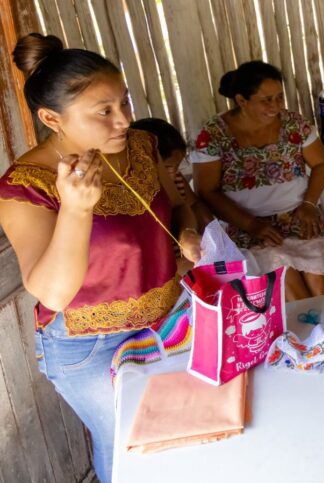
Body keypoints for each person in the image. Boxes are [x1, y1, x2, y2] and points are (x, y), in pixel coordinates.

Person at [0, 33, 201, 482]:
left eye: (125, 103)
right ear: (53, 118)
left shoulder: (144, 146)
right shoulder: (26, 185)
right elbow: (52, 291)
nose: (124, 120)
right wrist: (75, 209)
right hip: (90, 346)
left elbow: (178, 205)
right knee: (130, 449)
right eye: (104, 112)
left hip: (170, 317)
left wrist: (187, 232)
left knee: (184, 435)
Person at [191, 61, 324, 300]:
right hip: (245, 225)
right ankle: (311, 328)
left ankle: (320, 325)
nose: (276, 106)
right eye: (266, 100)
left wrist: (309, 204)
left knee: (318, 285)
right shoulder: (213, 134)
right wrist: (252, 225)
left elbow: (321, 164)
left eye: (279, 98)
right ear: (242, 100)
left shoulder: (294, 124)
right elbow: (207, 191)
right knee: (290, 284)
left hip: (298, 216)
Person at [130, 117, 212, 229]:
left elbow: (195, 205)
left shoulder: (177, 180)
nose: (174, 174)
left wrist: (213, 233)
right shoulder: (133, 193)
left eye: (177, 166)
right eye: (167, 168)